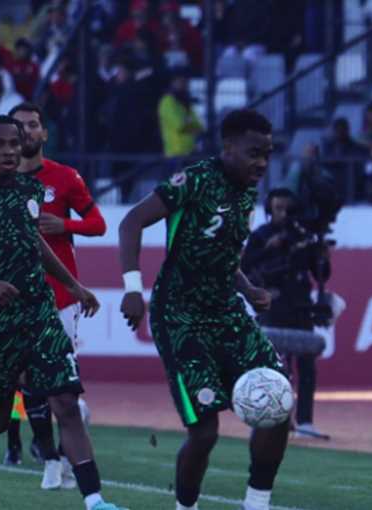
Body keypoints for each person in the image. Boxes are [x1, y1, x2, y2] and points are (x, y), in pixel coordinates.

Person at [0, 115, 123, 510]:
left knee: (66, 402)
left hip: (40, 313)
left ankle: (96, 501)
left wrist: (72, 285)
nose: (10, 151)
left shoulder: (30, 190)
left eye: (14, 144)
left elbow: (33, 241)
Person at [118, 109, 289, 510]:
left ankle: (257, 502)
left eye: (267, 154)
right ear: (228, 148)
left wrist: (247, 288)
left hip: (227, 312)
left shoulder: (247, 192)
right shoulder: (194, 181)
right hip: (180, 316)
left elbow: (223, 254)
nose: (262, 163)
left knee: (279, 402)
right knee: (205, 431)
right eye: (253, 153)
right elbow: (131, 222)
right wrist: (132, 289)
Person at [10, 102, 108, 490]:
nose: (26, 131)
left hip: (60, 298)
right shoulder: (1, 181)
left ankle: (66, 457)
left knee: (57, 384)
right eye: (19, 126)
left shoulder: (65, 178)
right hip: (17, 296)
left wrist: (64, 224)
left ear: (44, 133)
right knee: (26, 380)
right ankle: (50, 456)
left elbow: (98, 224)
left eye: (33, 125)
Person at [241, 188, 331, 440]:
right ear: (269, 210)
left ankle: (305, 421)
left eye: (287, 209)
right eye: (278, 208)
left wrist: (323, 257)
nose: (283, 214)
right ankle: (269, 418)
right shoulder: (261, 235)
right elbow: (244, 267)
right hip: (272, 306)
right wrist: (269, 248)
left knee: (306, 363)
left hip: (300, 304)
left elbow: (321, 274)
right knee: (271, 365)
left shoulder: (304, 237)